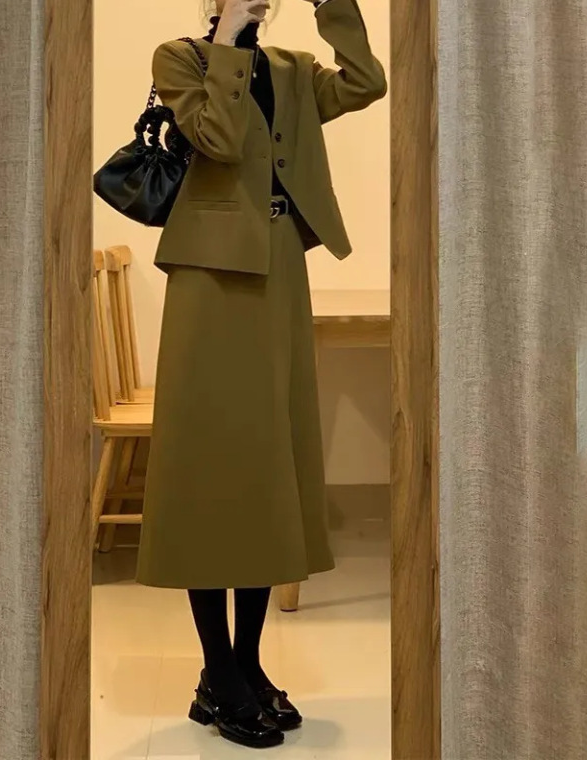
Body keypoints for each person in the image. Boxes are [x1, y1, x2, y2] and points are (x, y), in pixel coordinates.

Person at [134, 0, 386, 748]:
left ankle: (242, 666)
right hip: (209, 280)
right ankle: (218, 670)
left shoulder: (292, 70)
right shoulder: (179, 57)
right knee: (210, 466)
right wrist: (225, 39)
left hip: (278, 270)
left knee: (265, 464)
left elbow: (366, 82)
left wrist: (333, 6)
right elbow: (215, 136)